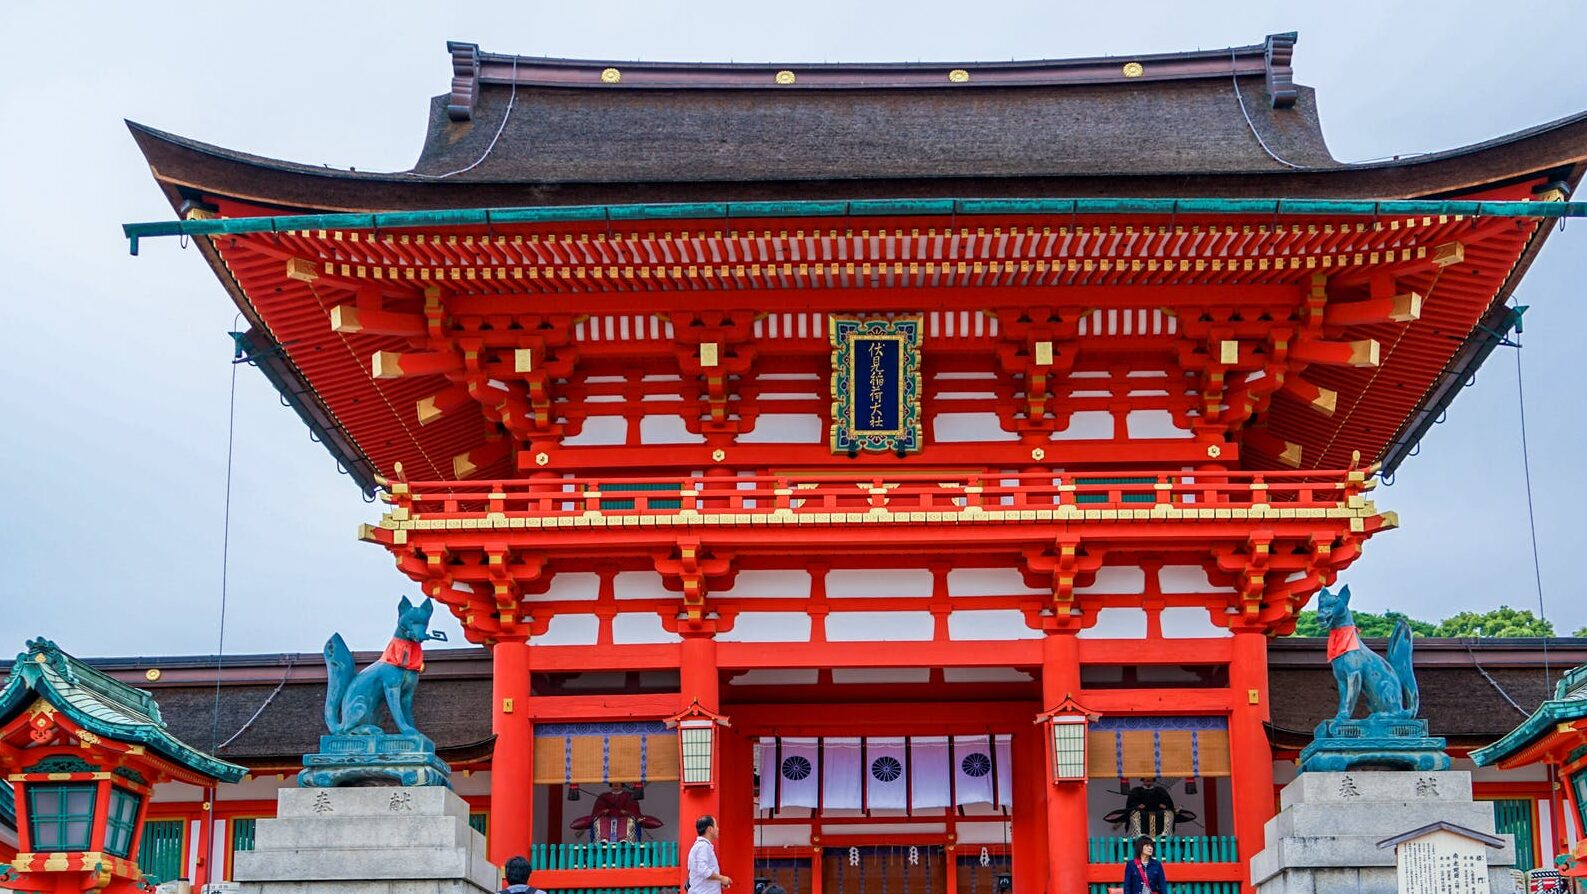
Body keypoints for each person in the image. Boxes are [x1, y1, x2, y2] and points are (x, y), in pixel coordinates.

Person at [688, 814, 732, 894]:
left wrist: (718, 881)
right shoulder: (703, 846)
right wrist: (722, 878)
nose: (718, 829)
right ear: (710, 829)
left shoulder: (700, 846)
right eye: (716, 826)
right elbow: (704, 871)